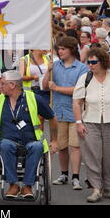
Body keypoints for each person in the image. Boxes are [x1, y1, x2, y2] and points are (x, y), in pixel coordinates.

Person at [0, 70, 58, 198]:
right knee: (5, 145)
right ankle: (13, 185)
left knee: (37, 147)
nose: (0, 86)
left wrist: (54, 140)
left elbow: (52, 118)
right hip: (7, 141)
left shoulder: (33, 98)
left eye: (3, 84)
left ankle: (27, 186)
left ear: (12, 85)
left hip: (30, 141)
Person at [73, 47, 110, 203]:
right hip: (90, 121)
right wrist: (78, 122)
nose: (90, 65)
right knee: (92, 156)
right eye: (89, 62)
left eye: (93, 62)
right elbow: (77, 102)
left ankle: (107, 184)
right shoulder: (85, 78)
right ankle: (96, 189)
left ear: (102, 62)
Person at [43, 36, 88, 190]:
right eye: (58, 49)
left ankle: (76, 177)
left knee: (75, 146)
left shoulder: (82, 68)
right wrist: (47, 72)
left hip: (75, 112)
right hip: (58, 111)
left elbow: (80, 90)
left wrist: (57, 88)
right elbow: (45, 86)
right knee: (61, 146)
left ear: (72, 50)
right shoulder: (54, 65)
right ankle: (63, 174)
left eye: (63, 49)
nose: (59, 51)